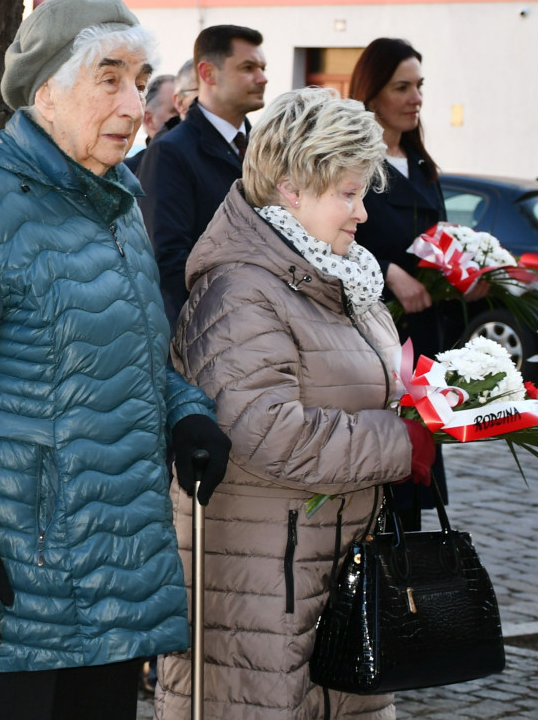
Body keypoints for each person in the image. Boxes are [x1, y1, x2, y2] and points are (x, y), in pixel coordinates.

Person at [0, 0, 232, 720]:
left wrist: (186, 414)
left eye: (142, 81)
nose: (134, 102)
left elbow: (134, 352)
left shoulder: (115, 202)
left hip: (116, 570)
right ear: (46, 90)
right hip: (14, 579)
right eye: (108, 77)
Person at [153, 87, 437, 719]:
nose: (362, 213)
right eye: (348, 193)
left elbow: (373, 385)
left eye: (363, 193)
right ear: (290, 186)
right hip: (260, 592)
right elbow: (262, 433)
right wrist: (402, 442)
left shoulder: (344, 278)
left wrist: (438, 407)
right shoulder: (239, 290)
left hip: (334, 580)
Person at [349, 37, 457, 531]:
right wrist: (388, 269)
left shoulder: (423, 167)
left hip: (424, 339)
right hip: (370, 343)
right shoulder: (352, 162)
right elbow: (330, 238)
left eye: (420, 86)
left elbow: (440, 243)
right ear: (372, 95)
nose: (415, 98)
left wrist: (464, 278)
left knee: (414, 495)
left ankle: (409, 599)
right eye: (402, 87)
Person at [136, 24, 267, 327]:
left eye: (262, 67)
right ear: (208, 74)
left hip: (264, 327)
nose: (262, 77)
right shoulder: (170, 152)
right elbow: (168, 262)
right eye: (248, 67)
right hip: (207, 333)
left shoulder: (265, 149)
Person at [123, 73, 176, 173]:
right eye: (176, 112)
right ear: (149, 119)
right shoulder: (125, 176)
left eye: (189, 110)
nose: (186, 117)